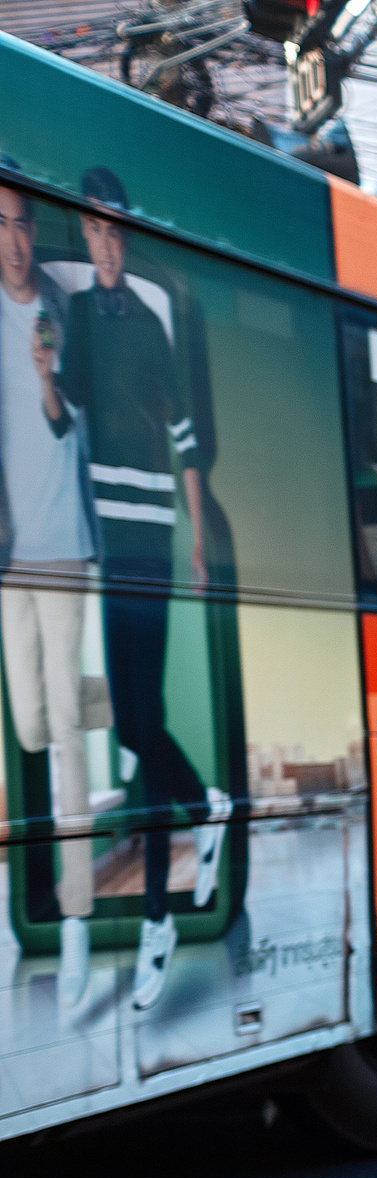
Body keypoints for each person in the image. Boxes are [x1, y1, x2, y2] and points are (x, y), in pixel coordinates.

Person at [51, 166, 227, 1012]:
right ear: (85, 238)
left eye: (117, 229)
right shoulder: (79, 314)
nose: (107, 242)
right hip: (100, 536)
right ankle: (171, 880)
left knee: (135, 718)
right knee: (136, 725)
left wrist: (196, 532)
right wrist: (38, 367)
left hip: (149, 535)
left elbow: (187, 431)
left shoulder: (153, 323)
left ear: (123, 234)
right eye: (95, 231)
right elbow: (70, 406)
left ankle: (198, 822)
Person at [0, 176, 96, 1014]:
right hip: (10, 555)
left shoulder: (53, 314)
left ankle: (73, 920)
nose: (16, 239)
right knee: (30, 721)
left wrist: (45, 376)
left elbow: (68, 425)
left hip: (63, 545)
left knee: (60, 730)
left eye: (24, 223)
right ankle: (114, 708)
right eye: (3, 225)